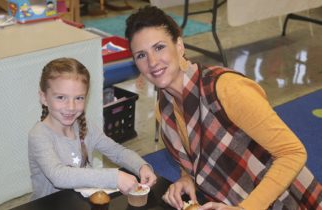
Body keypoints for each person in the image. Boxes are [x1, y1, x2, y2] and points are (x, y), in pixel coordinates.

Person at [125, 6, 322, 210]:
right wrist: (187, 178)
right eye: (141, 55)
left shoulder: (225, 88)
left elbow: (292, 152)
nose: (153, 62)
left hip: (286, 203)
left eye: (159, 47)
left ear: (180, 46)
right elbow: (195, 155)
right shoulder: (164, 106)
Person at [28, 57, 157, 200]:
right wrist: (115, 177)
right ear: (44, 98)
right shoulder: (39, 135)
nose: (71, 107)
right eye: (61, 97)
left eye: (78, 98)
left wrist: (141, 166)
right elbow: (58, 176)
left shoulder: (86, 126)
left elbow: (117, 152)